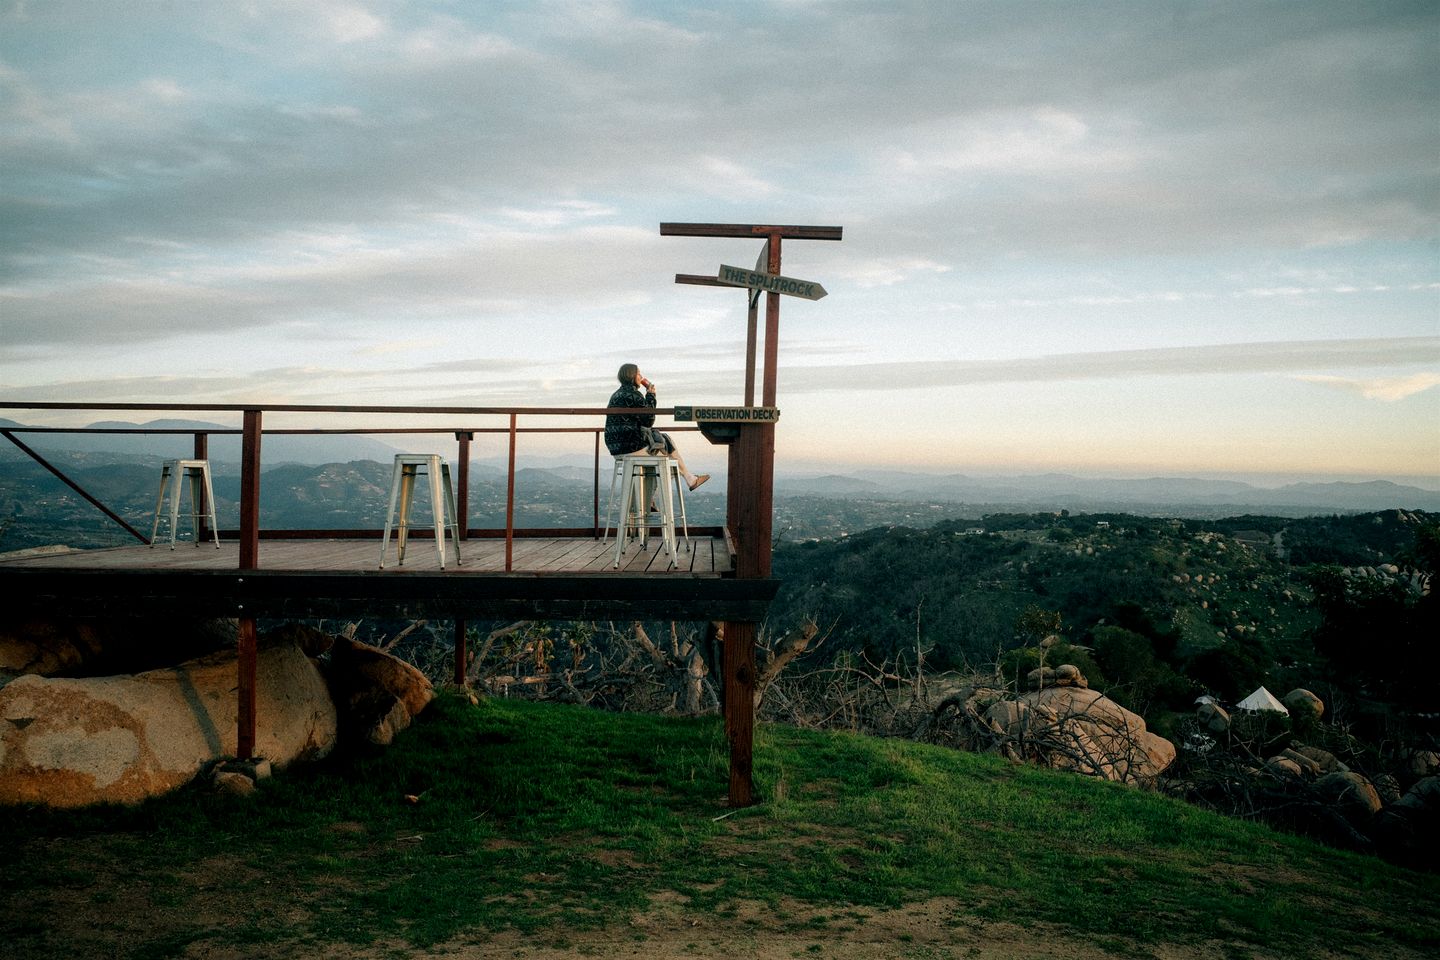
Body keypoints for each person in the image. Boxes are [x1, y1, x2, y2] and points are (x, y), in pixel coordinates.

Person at [605, 363, 709, 490]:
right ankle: (687, 479)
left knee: (662, 448)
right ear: (631, 375)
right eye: (638, 373)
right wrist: (651, 396)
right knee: (668, 462)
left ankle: (686, 479)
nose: (641, 377)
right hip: (631, 447)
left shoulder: (615, 395)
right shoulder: (634, 395)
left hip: (615, 448)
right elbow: (649, 421)